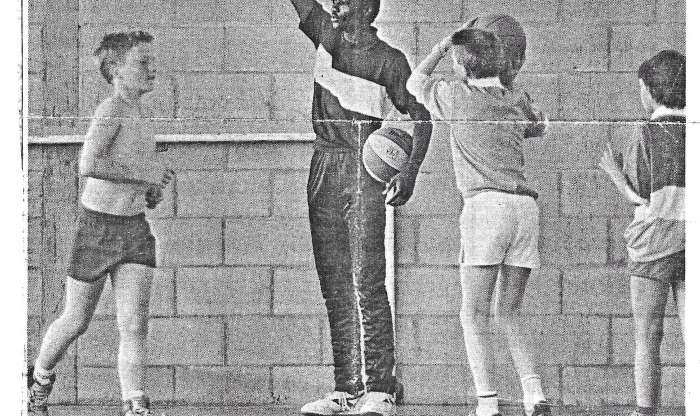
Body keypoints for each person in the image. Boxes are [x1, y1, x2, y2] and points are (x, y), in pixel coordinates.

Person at [285, 0, 433, 414]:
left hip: (362, 167)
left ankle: (380, 388)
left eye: (346, 0)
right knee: (334, 282)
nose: (335, 6)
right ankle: (345, 388)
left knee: (366, 279)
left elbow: (422, 118)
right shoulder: (325, 35)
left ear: (367, 9)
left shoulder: (390, 61)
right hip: (323, 163)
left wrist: (412, 171)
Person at [407, 20, 552, 416]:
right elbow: (540, 126)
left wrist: (442, 44)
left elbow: (413, 81)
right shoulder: (514, 97)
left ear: (460, 65)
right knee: (510, 311)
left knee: (472, 312)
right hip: (525, 210)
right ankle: (534, 395)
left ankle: (487, 405)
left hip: (486, 208)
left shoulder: (454, 96)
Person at [27, 31, 173, 416]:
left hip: (134, 229)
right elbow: (88, 165)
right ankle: (39, 381)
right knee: (75, 320)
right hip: (98, 229)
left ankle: (135, 404)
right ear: (115, 70)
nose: (152, 68)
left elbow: (134, 174)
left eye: (151, 61)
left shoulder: (143, 116)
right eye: (142, 62)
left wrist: (151, 188)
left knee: (134, 325)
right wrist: (145, 171)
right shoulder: (110, 110)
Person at [599, 50, 685, 416]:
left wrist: (614, 173)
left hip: (652, 244)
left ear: (649, 91)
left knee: (648, 336)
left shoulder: (646, 132)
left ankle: (645, 411)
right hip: (692, 242)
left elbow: (640, 195)